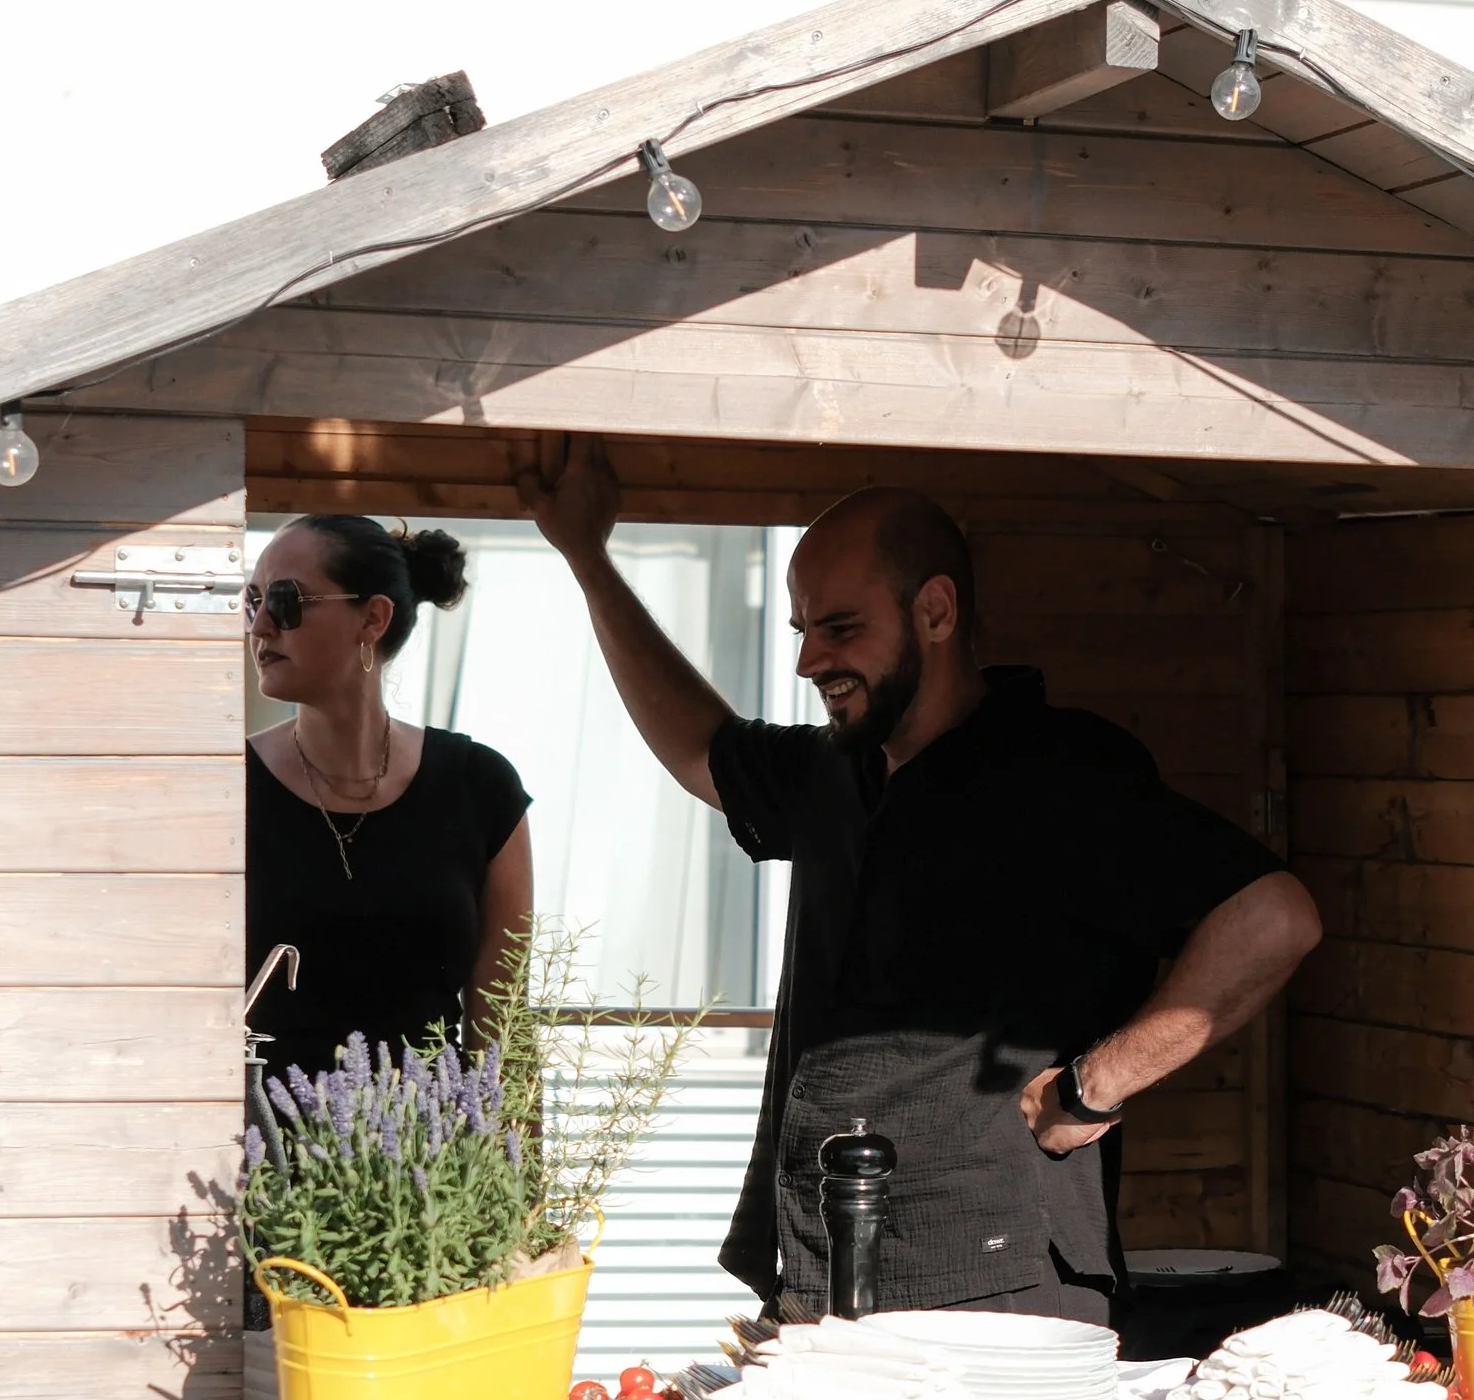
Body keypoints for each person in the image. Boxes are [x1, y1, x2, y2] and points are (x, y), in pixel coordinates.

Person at [525, 440, 1322, 1324]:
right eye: (800, 630)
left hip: (997, 1288)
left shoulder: (1061, 773)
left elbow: (1273, 917)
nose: (808, 661)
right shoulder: (836, 771)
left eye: (840, 628)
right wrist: (587, 558)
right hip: (826, 1263)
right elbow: (700, 748)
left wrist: (1098, 1082)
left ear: (936, 611)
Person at [245, 515, 533, 1086]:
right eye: (252, 601)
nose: (260, 625)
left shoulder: (480, 787)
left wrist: (516, 1146)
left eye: (285, 600)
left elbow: (503, 1027)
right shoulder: (227, 787)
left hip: (433, 1141)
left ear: (373, 618)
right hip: (256, 1137)